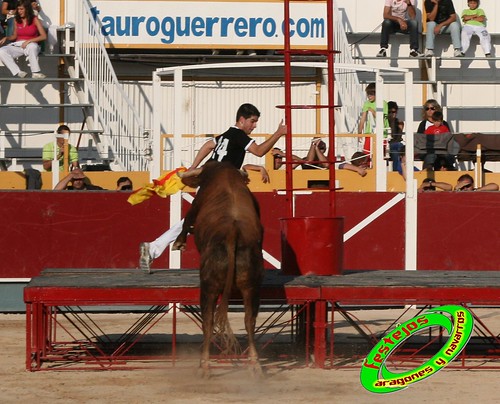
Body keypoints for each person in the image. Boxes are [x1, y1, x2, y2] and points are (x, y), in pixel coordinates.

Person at [138, 103, 287, 271]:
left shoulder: (226, 135)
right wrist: (279, 133)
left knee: (194, 221)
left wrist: (194, 167)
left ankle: (153, 248)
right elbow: (259, 151)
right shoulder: (239, 135)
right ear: (242, 120)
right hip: (219, 184)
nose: (254, 125)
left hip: (208, 180)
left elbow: (209, 145)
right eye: (252, 121)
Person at [0, 0, 46, 78]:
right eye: (18, 9)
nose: (19, 11)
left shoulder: (34, 19)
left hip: (31, 44)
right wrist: (7, 37)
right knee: (2, 51)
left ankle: (35, 72)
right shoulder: (16, 20)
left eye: (21, 9)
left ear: (27, 9)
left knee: (32, 46)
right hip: (19, 45)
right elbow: (14, 36)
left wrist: (29, 41)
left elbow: (43, 36)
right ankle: (18, 72)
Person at [416, 99, 455, 169]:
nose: (429, 110)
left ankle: (450, 169)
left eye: (432, 108)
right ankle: (427, 171)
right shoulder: (423, 124)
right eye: (427, 109)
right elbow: (420, 139)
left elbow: (448, 137)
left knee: (446, 155)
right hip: (428, 149)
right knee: (431, 156)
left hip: (442, 148)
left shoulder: (444, 124)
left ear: (437, 109)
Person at [357, 83, 389, 159]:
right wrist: (359, 133)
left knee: (380, 156)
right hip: (369, 132)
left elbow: (381, 119)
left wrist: (372, 111)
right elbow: (362, 119)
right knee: (367, 155)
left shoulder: (383, 103)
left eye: (371, 94)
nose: (369, 96)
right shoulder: (367, 103)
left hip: (382, 133)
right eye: (368, 94)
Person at [387, 101, 405, 172]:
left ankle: (396, 171)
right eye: (389, 112)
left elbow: (396, 138)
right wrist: (391, 122)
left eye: (393, 112)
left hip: (395, 145)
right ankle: (396, 171)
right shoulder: (384, 122)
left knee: (396, 151)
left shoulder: (399, 123)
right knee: (397, 147)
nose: (391, 114)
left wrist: (393, 122)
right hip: (387, 145)